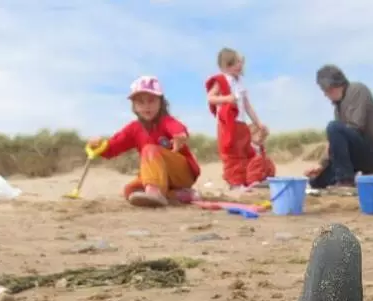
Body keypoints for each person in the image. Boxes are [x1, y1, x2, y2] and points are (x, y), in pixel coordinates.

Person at [86, 76, 200, 208]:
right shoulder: (133, 129)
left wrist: (180, 134)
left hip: (182, 173)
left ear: (161, 102)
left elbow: (176, 127)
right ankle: (180, 195)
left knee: (150, 149)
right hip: (159, 177)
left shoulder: (165, 121)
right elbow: (112, 148)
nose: (147, 106)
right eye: (140, 102)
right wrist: (98, 145)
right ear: (134, 106)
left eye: (151, 100)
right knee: (130, 190)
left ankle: (155, 193)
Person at [305, 65, 373, 194]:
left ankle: (346, 181)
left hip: (371, 152)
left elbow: (355, 126)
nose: (325, 95)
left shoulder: (358, 90)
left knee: (334, 127)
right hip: (350, 154)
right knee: (316, 182)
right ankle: (345, 178)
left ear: (332, 86)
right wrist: (322, 165)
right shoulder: (339, 105)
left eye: (325, 90)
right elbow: (336, 140)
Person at [205, 48, 268, 190]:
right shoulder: (221, 80)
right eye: (233, 63)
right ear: (224, 66)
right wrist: (226, 98)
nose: (238, 65)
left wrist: (258, 123)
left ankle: (248, 178)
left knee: (244, 150)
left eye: (239, 62)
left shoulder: (240, 82)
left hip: (240, 123)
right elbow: (210, 97)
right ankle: (234, 182)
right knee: (231, 153)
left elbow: (247, 105)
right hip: (227, 123)